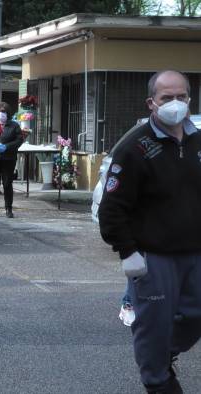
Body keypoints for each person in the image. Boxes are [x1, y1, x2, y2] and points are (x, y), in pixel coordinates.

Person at [99, 70, 201, 394]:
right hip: (154, 259)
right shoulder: (134, 148)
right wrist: (126, 251)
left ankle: (163, 355)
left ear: (190, 99)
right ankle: (157, 380)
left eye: (181, 97)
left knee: (194, 317)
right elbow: (111, 208)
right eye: (166, 98)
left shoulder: (199, 141)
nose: (175, 104)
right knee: (153, 327)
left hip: (195, 253)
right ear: (151, 103)